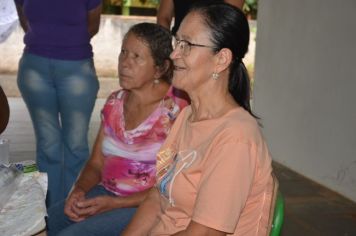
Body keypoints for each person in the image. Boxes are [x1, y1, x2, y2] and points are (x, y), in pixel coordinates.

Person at [123, 2, 274, 235]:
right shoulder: (188, 116)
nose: (173, 54)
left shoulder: (236, 138)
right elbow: (158, 196)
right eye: (177, 42)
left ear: (221, 59)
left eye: (187, 45)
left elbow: (204, 232)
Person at [46, 22, 188, 236]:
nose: (124, 64)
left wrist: (113, 204)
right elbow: (96, 163)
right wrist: (79, 191)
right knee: (50, 219)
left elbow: (175, 184)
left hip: (147, 204)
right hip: (107, 193)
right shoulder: (115, 103)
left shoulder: (176, 110)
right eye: (123, 52)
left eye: (136, 57)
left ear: (160, 67)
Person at [14, 0, 101, 207]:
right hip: (35, 66)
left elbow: (93, 26)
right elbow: (24, 18)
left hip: (76, 67)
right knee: (47, 144)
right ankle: (51, 211)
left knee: (76, 145)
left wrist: (64, 46)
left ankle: (73, 208)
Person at [157, 0, 245, 35]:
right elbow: (164, 17)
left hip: (213, 47)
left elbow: (230, 21)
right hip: (182, 44)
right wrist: (166, 48)